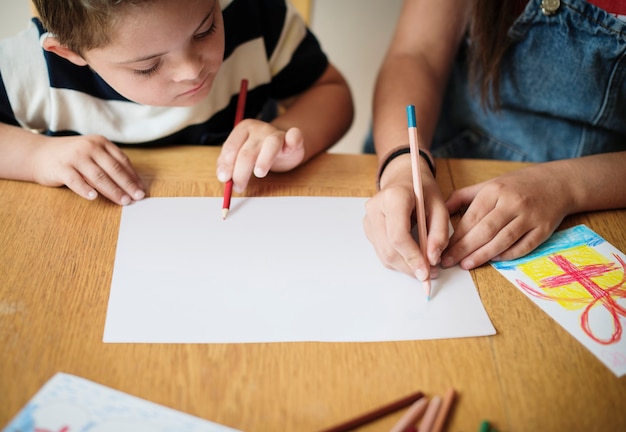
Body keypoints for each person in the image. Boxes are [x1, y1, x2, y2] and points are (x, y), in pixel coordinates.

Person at [363, 0, 626, 281]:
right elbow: (415, 54)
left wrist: (565, 185)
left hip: (596, 190)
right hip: (434, 159)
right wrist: (402, 165)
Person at [0, 0, 353, 206]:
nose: (191, 70)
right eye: (148, 65)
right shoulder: (34, 69)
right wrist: (36, 156)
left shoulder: (255, 16)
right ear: (70, 53)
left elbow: (331, 91)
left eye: (206, 30)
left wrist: (282, 134)